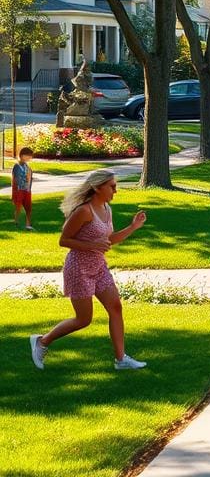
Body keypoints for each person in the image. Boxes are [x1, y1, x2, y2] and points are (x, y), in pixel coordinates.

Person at [29, 170, 147, 371]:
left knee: (116, 308)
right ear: (97, 187)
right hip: (79, 269)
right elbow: (64, 240)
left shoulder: (106, 209)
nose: (115, 190)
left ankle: (121, 359)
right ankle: (42, 341)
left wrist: (133, 227)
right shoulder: (83, 211)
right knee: (83, 319)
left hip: (99, 267)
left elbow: (108, 241)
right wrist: (92, 245)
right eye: (112, 186)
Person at [12, 147, 35, 231]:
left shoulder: (27, 166)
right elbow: (16, 179)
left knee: (28, 207)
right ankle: (17, 222)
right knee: (19, 206)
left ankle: (28, 224)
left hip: (27, 190)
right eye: (28, 155)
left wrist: (28, 186)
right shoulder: (17, 166)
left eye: (30, 156)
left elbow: (29, 177)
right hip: (19, 190)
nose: (30, 158)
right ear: (22, 155)